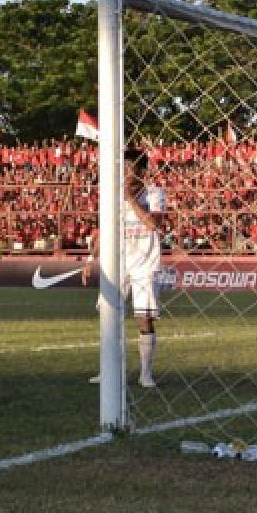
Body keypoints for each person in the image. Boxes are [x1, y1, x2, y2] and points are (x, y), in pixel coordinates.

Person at [83, 148, 165, 388]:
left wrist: (130, 199)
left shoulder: (154, 193)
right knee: (108, 317)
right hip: (117, 264)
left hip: (145, 265)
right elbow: (104, 232)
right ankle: (108, 371)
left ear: (142, 171)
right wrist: (90, 260)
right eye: (123, 169)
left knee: (144, 318)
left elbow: (152, 225)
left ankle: (145, 374)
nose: (126, 174)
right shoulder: (112, 197)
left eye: (130, 169)